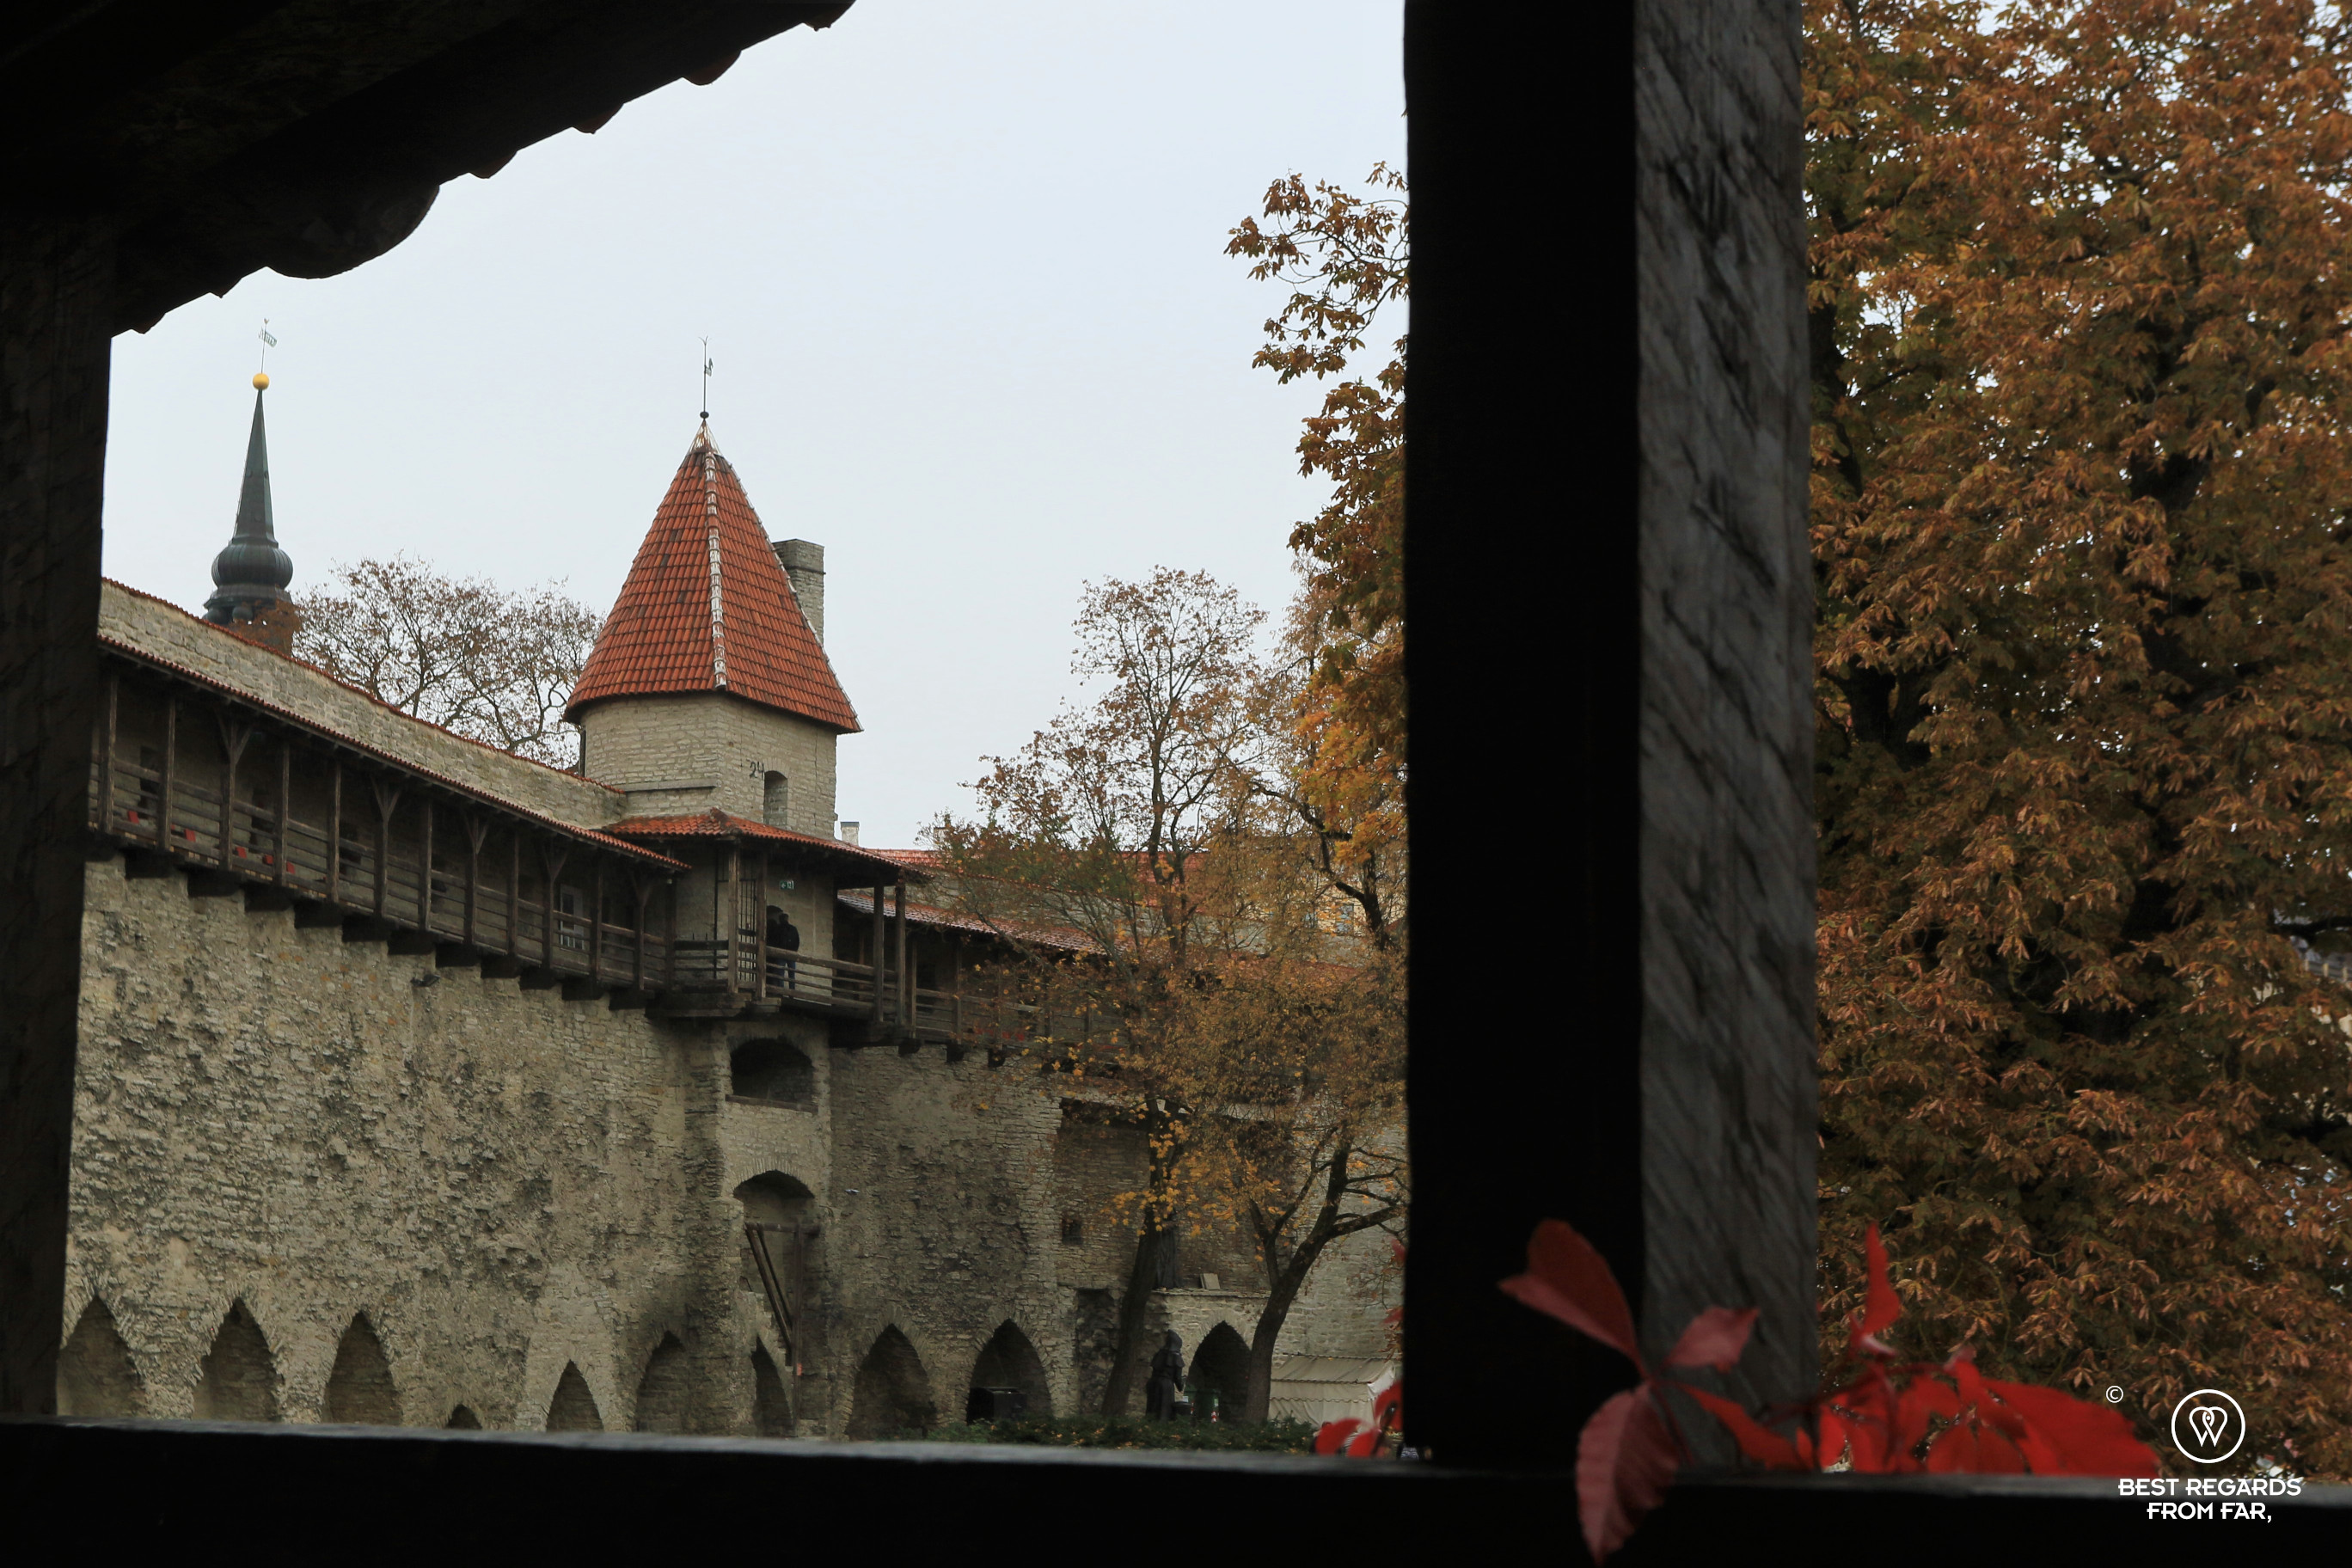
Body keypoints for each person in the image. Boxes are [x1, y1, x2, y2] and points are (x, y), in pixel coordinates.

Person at [1145, 1330, 1185, 1420]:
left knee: (1152, 1410)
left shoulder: (1159, 1354)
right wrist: (1182, 1381)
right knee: (1164, 1413)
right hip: (1165, 1386)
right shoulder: (1176, 1357)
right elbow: (1178, 1380)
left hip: (1153, 1383)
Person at [766, 905, 800, 991]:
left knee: (780, 973)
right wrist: (794, 951)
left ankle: (781, 990)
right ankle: (792, 991)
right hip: (791, 954)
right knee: (791, 974)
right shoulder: (793, 929)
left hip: (781, 953)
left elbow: (775, 940)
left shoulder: (778, 929)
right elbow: (797, 941)